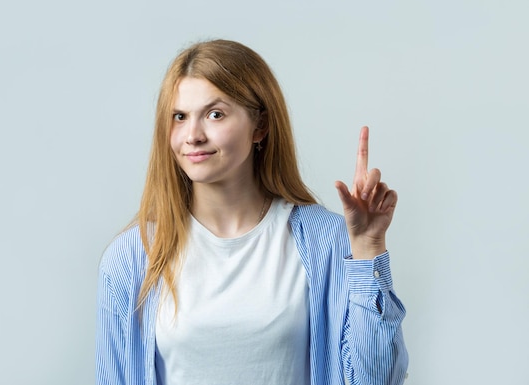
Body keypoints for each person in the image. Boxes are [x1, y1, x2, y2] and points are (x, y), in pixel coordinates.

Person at [95, 39, 408, 385]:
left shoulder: (327, 242)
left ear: (260, 127)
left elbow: (376, 380)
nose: (193, 135)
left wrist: (368, 248)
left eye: (215, 114)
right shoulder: (132, 257)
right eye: (179, 117)